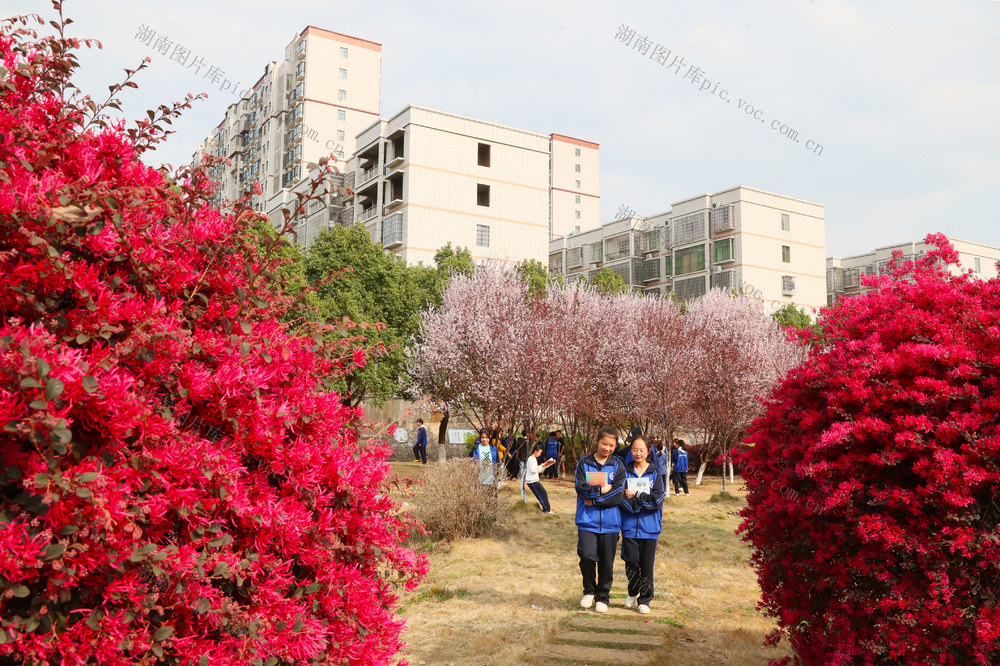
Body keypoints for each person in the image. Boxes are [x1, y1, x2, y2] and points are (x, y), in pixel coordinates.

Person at [575, 426, 626, 613]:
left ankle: (603, 596)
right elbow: (580, 489)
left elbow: (617, 496)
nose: (607, 448)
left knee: (606, 562)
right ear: (597, 441)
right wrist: (600, 490)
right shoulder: (584, 462)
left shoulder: (618, 465)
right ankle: (589, 590)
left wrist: (594, 500)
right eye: (604, 443)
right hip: (587, 521)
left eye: (612, 445)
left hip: (611, 523)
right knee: (586, 556)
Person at [619, 436, 665, 614]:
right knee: (630, 562)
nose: (638, 453)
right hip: (630, 525)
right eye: (634, 450)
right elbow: (621, 497)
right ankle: (632, 591)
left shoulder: (655, 472)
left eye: (641, 450)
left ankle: (645, 600)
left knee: (646, 565)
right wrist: (635, 509)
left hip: (650, 527)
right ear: (631, 451)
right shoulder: (625, 471)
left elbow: (658, 500)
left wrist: (637, 495)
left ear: (648, 452)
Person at [525, 443, 555, 514]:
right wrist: (540, 466)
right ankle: (546, 509)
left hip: (534, 480)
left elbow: (536, 470)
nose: (540, 454)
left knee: (543, 493)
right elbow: (533, 470)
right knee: (540, 494)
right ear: (535, 451)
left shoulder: (533, 459)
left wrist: (543, 466)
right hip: (532, 481)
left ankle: (547, 509)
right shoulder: (531, 459)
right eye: (539, 452)